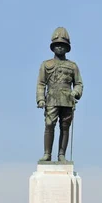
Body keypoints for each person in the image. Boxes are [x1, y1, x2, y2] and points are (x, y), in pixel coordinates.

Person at [36, 27, 83, 162]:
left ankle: (61, 154)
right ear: (53, 47)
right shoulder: (46, 64)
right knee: (49, 124)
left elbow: (79, 83)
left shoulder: (72, 66)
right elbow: (41, 83)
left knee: (65, 126)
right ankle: (47, 154)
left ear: (67, 48)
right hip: (51, 98)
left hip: (67, 99)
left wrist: (75, 92)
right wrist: (40, 99)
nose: (60, 48)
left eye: (62, 45)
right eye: (57, 45)